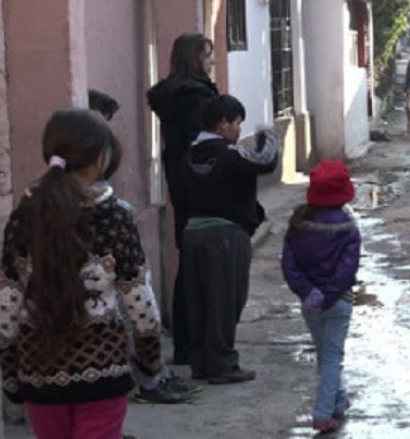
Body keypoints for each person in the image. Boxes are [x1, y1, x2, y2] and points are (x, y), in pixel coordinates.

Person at [0, 108, 162, 438]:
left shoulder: (24, 216)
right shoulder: (115, 216)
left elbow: (7, 308)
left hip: (38, 376)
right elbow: (141, 304)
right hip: (103, 377)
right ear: (101, 157)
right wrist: (150, 363)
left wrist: (12, 379)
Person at [87, 89, 197, 403]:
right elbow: (141, 303)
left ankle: (151, 376)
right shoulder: (109, 213)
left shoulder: (37, 209)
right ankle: (149, 380)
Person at [182, 95, 278, 384]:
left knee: (198, 300)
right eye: (237, 124)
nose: (238, 131)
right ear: (223, 124)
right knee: (225, 301)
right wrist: (268, 137)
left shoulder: (188, 155)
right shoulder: (230, 154)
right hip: (226, 235)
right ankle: (222, 363)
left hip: (192, 234)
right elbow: (266, 162)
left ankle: (200, 361)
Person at [147, 33, 219, 365]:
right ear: (194, 58)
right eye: (207, 55)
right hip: (199, 185)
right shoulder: (199, 98)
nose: (212, 61)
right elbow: (201, 145)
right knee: (202, 266)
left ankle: (185, 345)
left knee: (188, 262)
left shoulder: (171, 96)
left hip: (177, 181)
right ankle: (199, 344)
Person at [281, 159, 361, 434]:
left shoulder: (300, 223)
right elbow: (347, 269)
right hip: (339, 301)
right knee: (332, 356)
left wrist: (308, 292)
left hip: (310, 303)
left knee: (324, 354)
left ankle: (338, 401)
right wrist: (329, 294)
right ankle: (323, 413)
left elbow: (289, 265)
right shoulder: (348, 227)